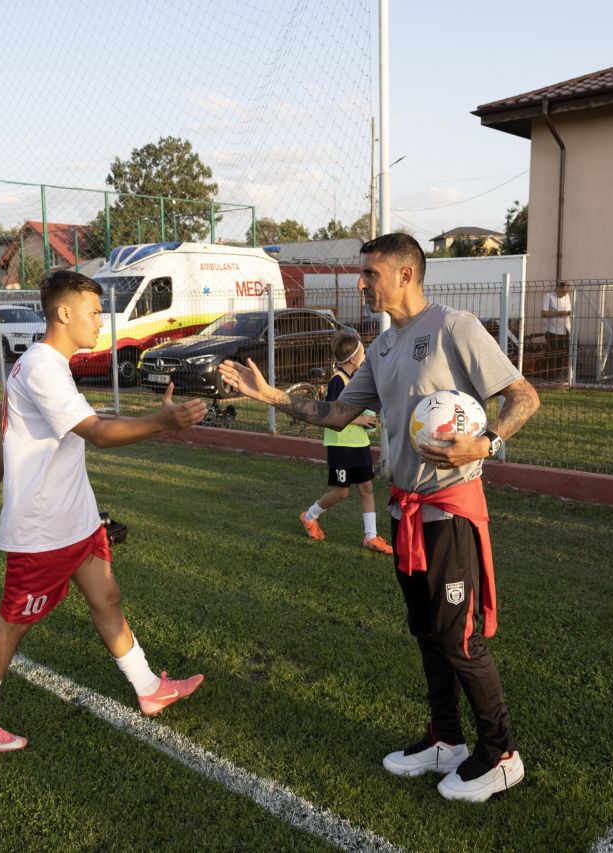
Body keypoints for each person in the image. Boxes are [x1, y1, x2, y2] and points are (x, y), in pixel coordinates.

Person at [220, 233, 541, 804]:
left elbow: (523, 397)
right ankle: (446, 738)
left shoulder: (456, 328)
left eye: (369, 273)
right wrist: (270, 396)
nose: (361, 282)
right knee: (426, 632)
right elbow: (341, 410)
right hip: (405, 508)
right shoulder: (384, 346)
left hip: (451, 508)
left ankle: (500, 753)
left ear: (405, 274)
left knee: (459, 638)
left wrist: (486, 442)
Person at [0, 270, 207, 753]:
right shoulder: (44, 367)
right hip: (43, 529)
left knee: (107, 598)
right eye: (93, 311)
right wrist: (162, 422)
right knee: (12, 623)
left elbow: (13, 434)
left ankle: (149, 688)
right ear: (63, 313)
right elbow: (98, 432)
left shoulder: (46, 363)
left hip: (78, 520)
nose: (100, 320)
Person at [298, 331, 393, 554]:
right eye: (362, 352)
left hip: (359, 445)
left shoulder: (355, 380)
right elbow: (331, 414)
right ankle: (309, 516)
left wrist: (367, 421)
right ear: (352, 358)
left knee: (367, 487)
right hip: (341, 445)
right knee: (342, 492)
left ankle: (370, 537)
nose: (365, 355)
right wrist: (360, 419)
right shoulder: (338, 381)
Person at [539, 281, 572, 382]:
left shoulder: (567, 296)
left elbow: (569, 311)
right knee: (551, 354)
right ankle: (549, 377)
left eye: (566, 291)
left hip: (565, 329)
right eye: (563, 291)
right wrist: (558, 313)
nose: (565, 293)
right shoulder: (548, 296)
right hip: (552, 330)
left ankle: (557, 376)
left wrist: (568, 313)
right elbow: (543, 313)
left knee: (561, 355)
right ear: (558, 288)